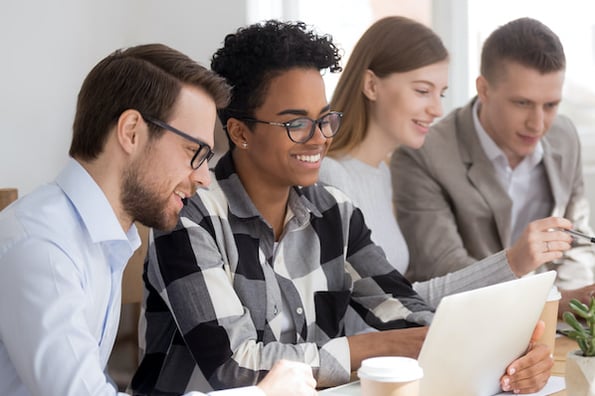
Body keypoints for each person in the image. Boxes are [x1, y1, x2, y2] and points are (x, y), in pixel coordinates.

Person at [131, 20, 552, 395]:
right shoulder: (189, 213)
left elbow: (404, 313)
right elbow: (234, 364)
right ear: (240, 131)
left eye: (324, 119)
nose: (319, 139)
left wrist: (513, 358)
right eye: (296, 123)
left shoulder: (334, 210)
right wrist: (371, 348)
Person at [0, 43, 316, 396]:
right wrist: (261, 393)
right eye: (193, 152)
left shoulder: (101, 240)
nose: (204, 178)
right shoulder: (42, 248)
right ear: (132, 131)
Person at [319, 15, 575, 309]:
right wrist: (512, 263)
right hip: (377, 353)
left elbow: (398, 296)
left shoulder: (382, 174)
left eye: (441, 94)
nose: (437, 109)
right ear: (371, 85)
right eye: (422, 91)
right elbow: (383, 305)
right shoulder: (332, 177)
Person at [391, 17, 595, 315]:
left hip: (553, 327)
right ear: (484, 89)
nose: (537, 124)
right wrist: (560, 303)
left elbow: (576, 245)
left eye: (550, 105)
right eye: (522, 103)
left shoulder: (564, 136)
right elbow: (446, 272)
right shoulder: (423, 154)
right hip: (463, 325)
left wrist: (581, 305)